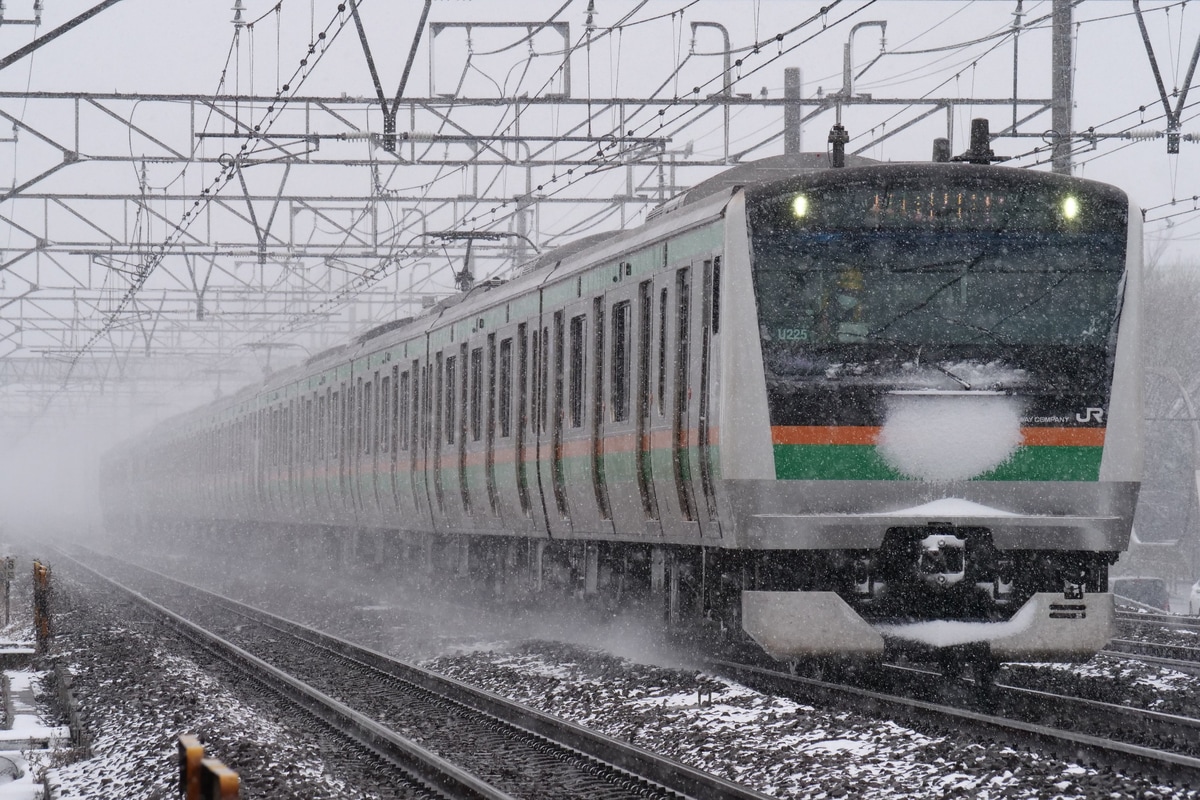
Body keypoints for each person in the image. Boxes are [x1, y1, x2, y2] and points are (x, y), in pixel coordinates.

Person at [817, 266, 869, 343]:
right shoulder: (827, 307)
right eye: (847, 291)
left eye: (856, 293)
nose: (851, 296)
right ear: (839, 290)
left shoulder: (866, 311)